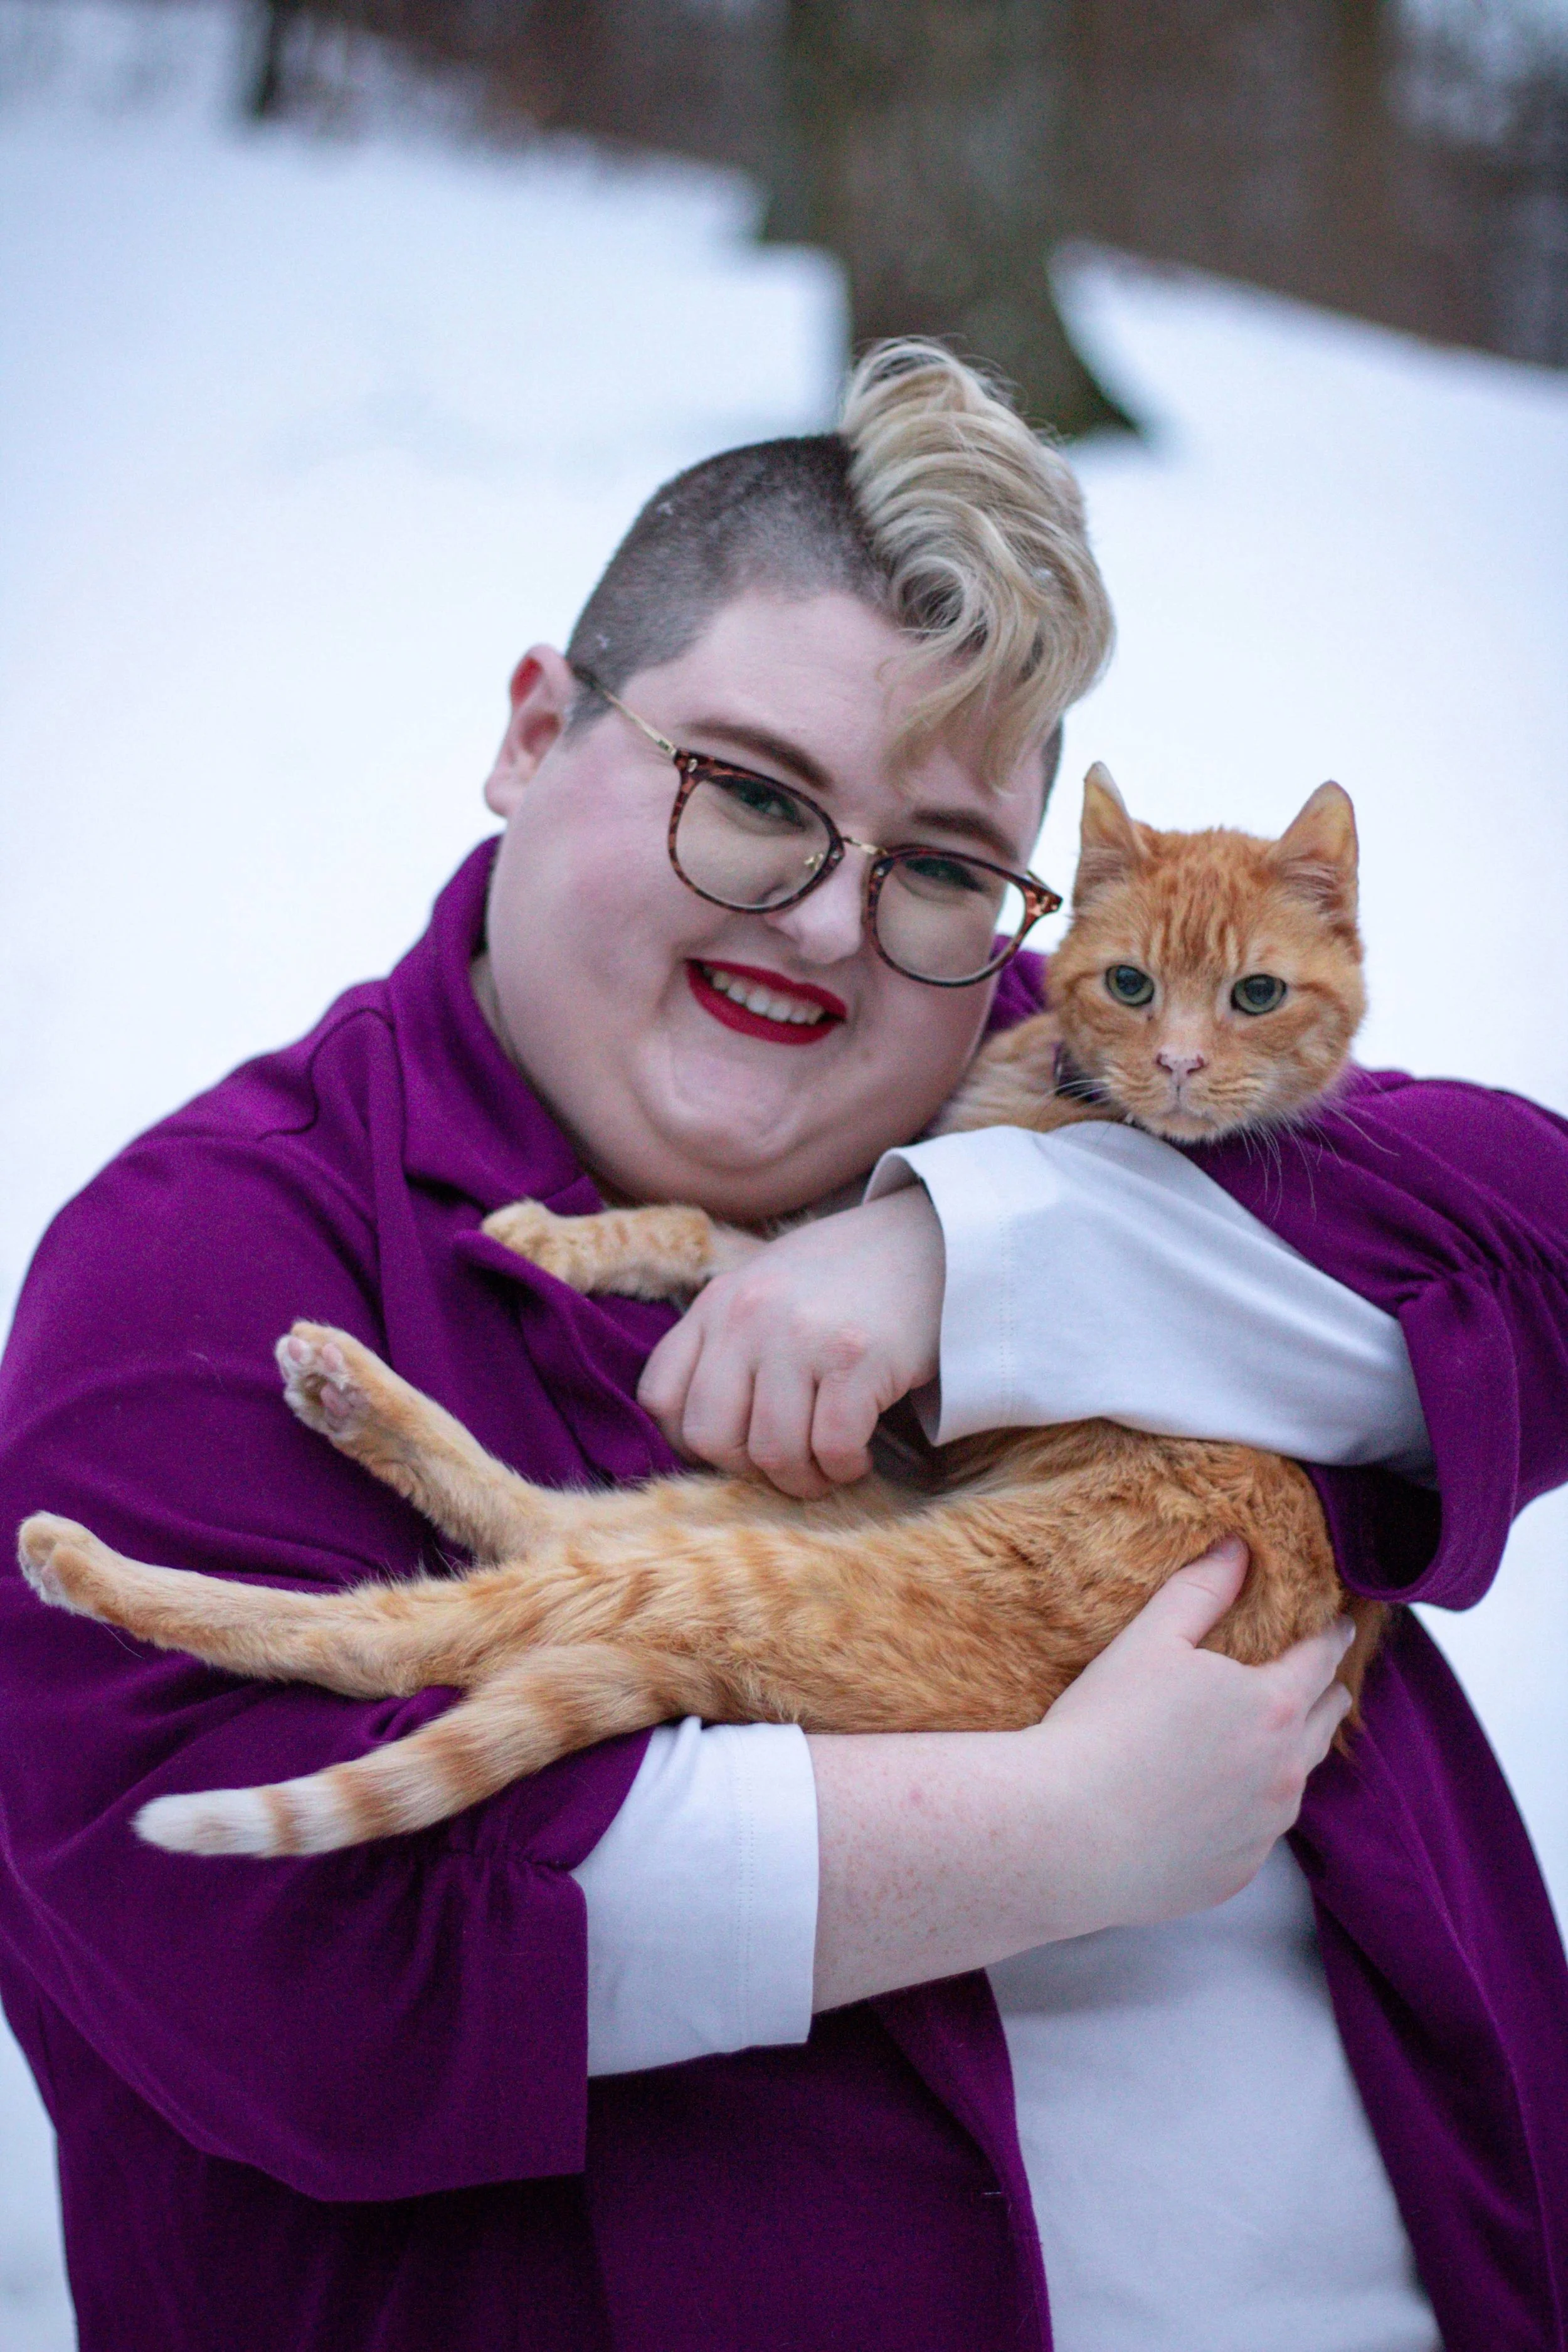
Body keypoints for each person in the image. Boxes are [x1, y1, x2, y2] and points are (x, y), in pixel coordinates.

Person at [0, 342, 1564, 2352]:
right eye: (750, 795)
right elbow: (260, 1951)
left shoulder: (1090, 1068)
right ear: (534, 730)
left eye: (940, 865)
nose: (829, 923)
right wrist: (1039, 1837)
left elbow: (1529, 1233)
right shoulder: (210, 1251)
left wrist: (976, 1248)